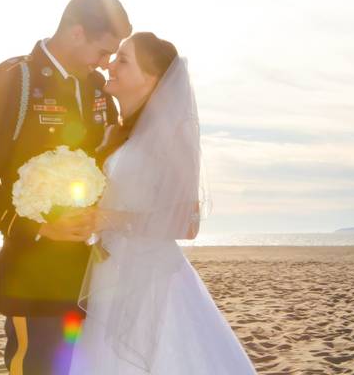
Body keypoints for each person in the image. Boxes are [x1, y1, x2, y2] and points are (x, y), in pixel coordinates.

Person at [0, 0, 132, 375]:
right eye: (103, 52)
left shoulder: (98, 90)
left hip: (91, 275)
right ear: (76, 33)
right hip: (34, 275)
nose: (106, 65)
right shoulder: (12, 82)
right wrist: (40, 226)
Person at [69, 33, 258, 374]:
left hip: (152, 277)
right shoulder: (117, 133)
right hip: (109, 272)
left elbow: (188, 223)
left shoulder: (175, 135)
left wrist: (110, 219)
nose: (111, 64)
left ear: (152, 79)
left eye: (123, 60)